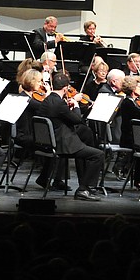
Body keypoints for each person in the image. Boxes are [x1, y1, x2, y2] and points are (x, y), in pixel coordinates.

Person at [37, 72, 104, 201]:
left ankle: (84, 184)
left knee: (85, 138)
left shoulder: (47, 100)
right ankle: (84, 189)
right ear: (65, 88)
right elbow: (77, 120)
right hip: (62, 143)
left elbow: (60, 115)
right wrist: (76, 106)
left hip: (49, 141)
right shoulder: (59, 104)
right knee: (98, 155)